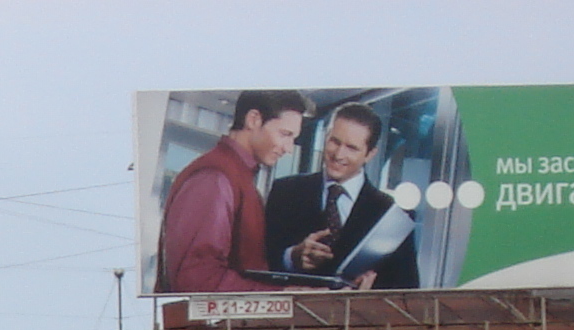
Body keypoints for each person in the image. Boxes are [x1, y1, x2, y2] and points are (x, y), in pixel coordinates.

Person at [156, 89, 312, 294]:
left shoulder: (236, 178)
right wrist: (280, 295)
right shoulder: (215, 178)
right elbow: (197, 281)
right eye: (285, 134)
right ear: (254, 119)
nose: (289, 148)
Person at [263, 100, 420, 290]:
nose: (338, 154)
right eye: (334, 141)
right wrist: (292, 257)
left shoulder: (392, 214)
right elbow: (258, 263)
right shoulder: (285, 191)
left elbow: (407, 291)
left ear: (370, 154)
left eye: (351, 148)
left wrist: (368, 299)